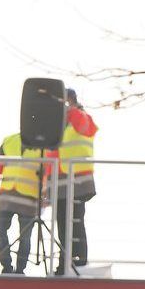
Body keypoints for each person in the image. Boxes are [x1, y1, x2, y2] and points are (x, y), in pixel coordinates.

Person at [0, 133, 52, 273]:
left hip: (27, 198)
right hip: (10, 197)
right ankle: (8, 267)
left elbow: (48, 172)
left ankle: (18, 269)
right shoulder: (9, 141)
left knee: (23, 236)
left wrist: (46, 194)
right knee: (2, 231)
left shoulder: (43, 146)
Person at [53, 88, 98, 270]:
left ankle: (79, 261)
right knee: (63, 225)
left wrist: (68, 110)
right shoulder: (60, 124)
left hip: (79, 181)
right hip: (61, 181)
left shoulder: (81, 117)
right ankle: (65, 262)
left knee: (76, 222)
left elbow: (85, 128)